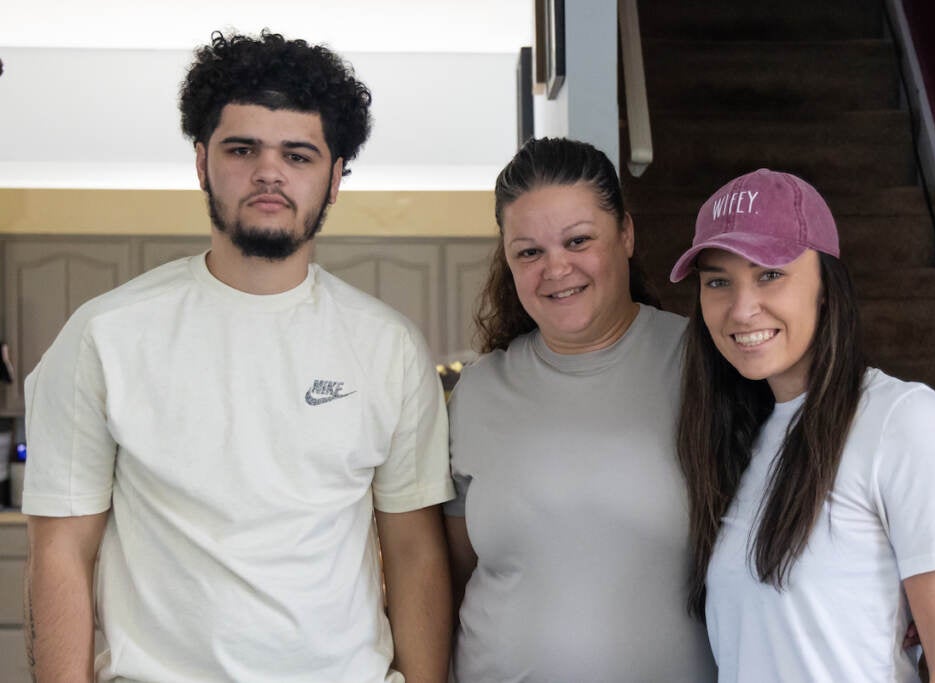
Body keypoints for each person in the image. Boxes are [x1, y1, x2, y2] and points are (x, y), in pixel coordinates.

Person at [22, 30, 453, 683]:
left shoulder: (388, 346)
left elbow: (416, 550)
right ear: (202, 162)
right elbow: (60, 552)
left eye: (299, 154)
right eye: (242, 148)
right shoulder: (104, 336)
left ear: (336, 178)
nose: (269, 172)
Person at [671, 168, 935, 682]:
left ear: (825, 287)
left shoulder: (902, 421)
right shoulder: (740, 441)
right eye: (718, 281)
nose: (742, 308)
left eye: (769, 274)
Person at [444, 137, 717, 682]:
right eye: (529, 252)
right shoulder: (477, 391)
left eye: (578, 240)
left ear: (626, 235)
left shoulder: (708, 368)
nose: (556, 268)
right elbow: (451, 572)